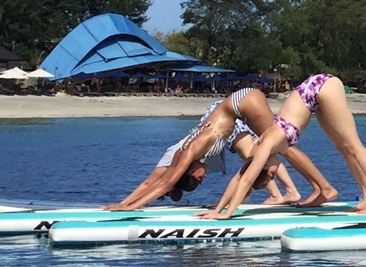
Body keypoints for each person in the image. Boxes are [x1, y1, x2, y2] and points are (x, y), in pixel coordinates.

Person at [199, 74, 366, 219]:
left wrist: (226, 214)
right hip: (313, 98)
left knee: (353, 145)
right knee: (343, 147)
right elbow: (239, 178)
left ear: (264, 166)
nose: (277, 172)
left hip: (319, 87)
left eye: (271, 174)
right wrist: (218, 210)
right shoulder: (257, 151)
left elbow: (247, 179)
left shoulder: (264, 147)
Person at [103, 87, 326, 211]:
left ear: (190, 170)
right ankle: (303, 190)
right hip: (241, 105)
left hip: (244, 102)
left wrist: (131, 208)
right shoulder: (182, 156)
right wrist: (126, 202)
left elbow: (169, 183)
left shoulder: (191, 150)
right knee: (268, 150)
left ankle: (323, 188)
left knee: (283, 147)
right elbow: (156, 181)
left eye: (199, 179)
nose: (205, 175)